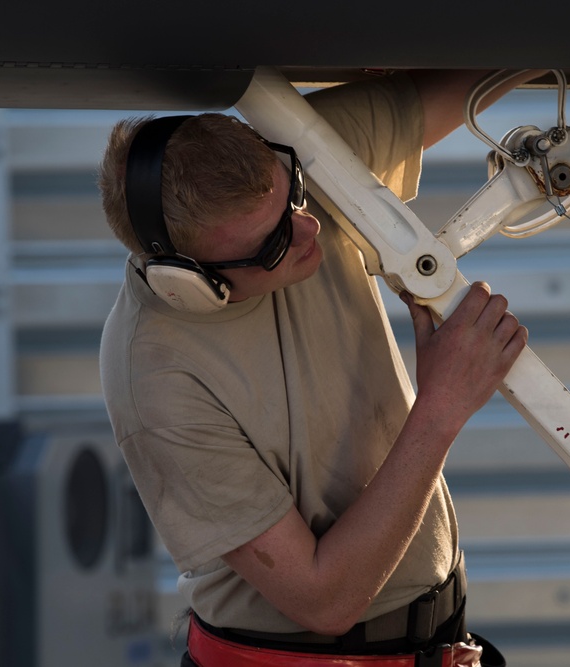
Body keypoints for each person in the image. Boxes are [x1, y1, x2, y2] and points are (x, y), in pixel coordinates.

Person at [97, 70, 531, 667]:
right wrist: (443, 404)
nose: (310, 229)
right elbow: (326, 600)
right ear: (191, 282)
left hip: (438, 637)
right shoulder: (156, 381)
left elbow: (463, 83)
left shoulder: (294, 176)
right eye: (272, 243)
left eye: (294, 194)